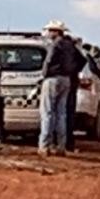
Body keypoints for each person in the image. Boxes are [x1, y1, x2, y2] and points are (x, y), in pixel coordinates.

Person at [38, 20, 76, 155]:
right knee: (61, 114)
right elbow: (80, 60)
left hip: (52, 79)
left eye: (50, 31)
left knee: (47, 112)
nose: (48, 33)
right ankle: (61, 146)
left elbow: (48, 61)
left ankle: (44, 145)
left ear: (55, 31)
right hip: (66, 79)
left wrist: (44, 75)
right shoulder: (70, 45)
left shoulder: (55, 45)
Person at [64, 36, 88, 153]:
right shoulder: (73, 50)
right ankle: (68, 143)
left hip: (64, 82)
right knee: (68, 114)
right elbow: (83, 61)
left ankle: (59, 142)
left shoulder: (59, 48)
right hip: (71, 83)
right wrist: (73, 71)